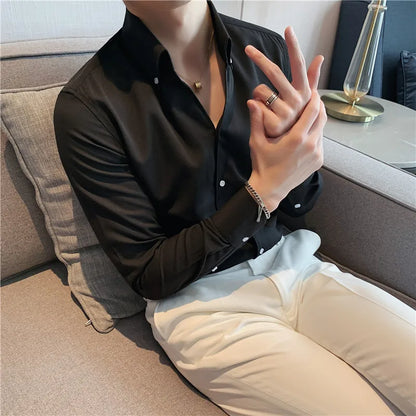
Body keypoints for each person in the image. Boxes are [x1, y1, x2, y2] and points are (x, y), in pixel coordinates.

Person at [54, 1, 415, 414]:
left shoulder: (266, 52)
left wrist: (300, 152)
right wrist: (262, 191)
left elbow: (301, 203)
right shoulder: (88, 106)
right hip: (203, 309)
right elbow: (150, 274)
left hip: (298, 268)